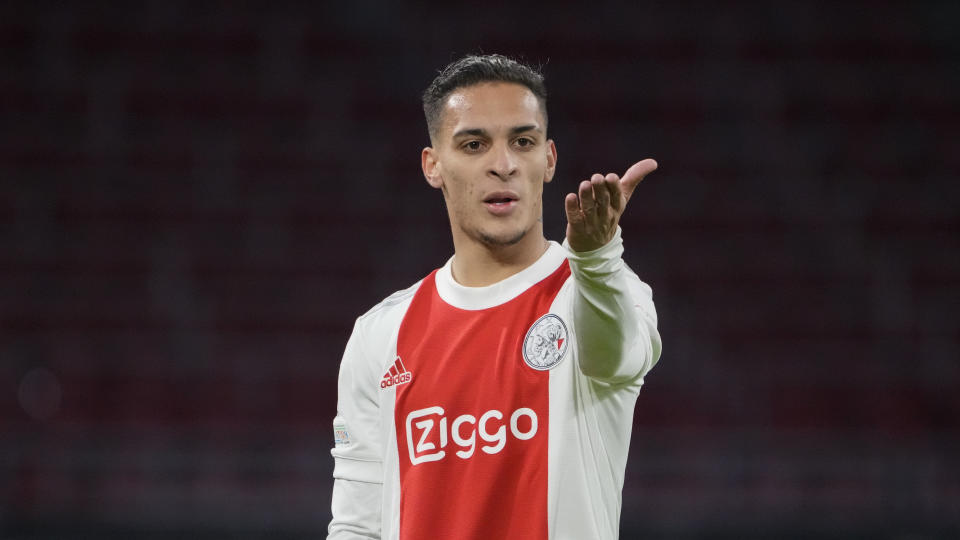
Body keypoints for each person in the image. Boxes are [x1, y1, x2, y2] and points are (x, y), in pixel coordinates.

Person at [327, 54, 662, 540]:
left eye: (522, 142)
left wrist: (594, 259)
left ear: (548, 159)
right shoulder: (379, 334)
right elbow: (357, 525)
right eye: (474, 144)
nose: (502, 165)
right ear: (433, 164)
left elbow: (612, 357)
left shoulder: (602, 290)